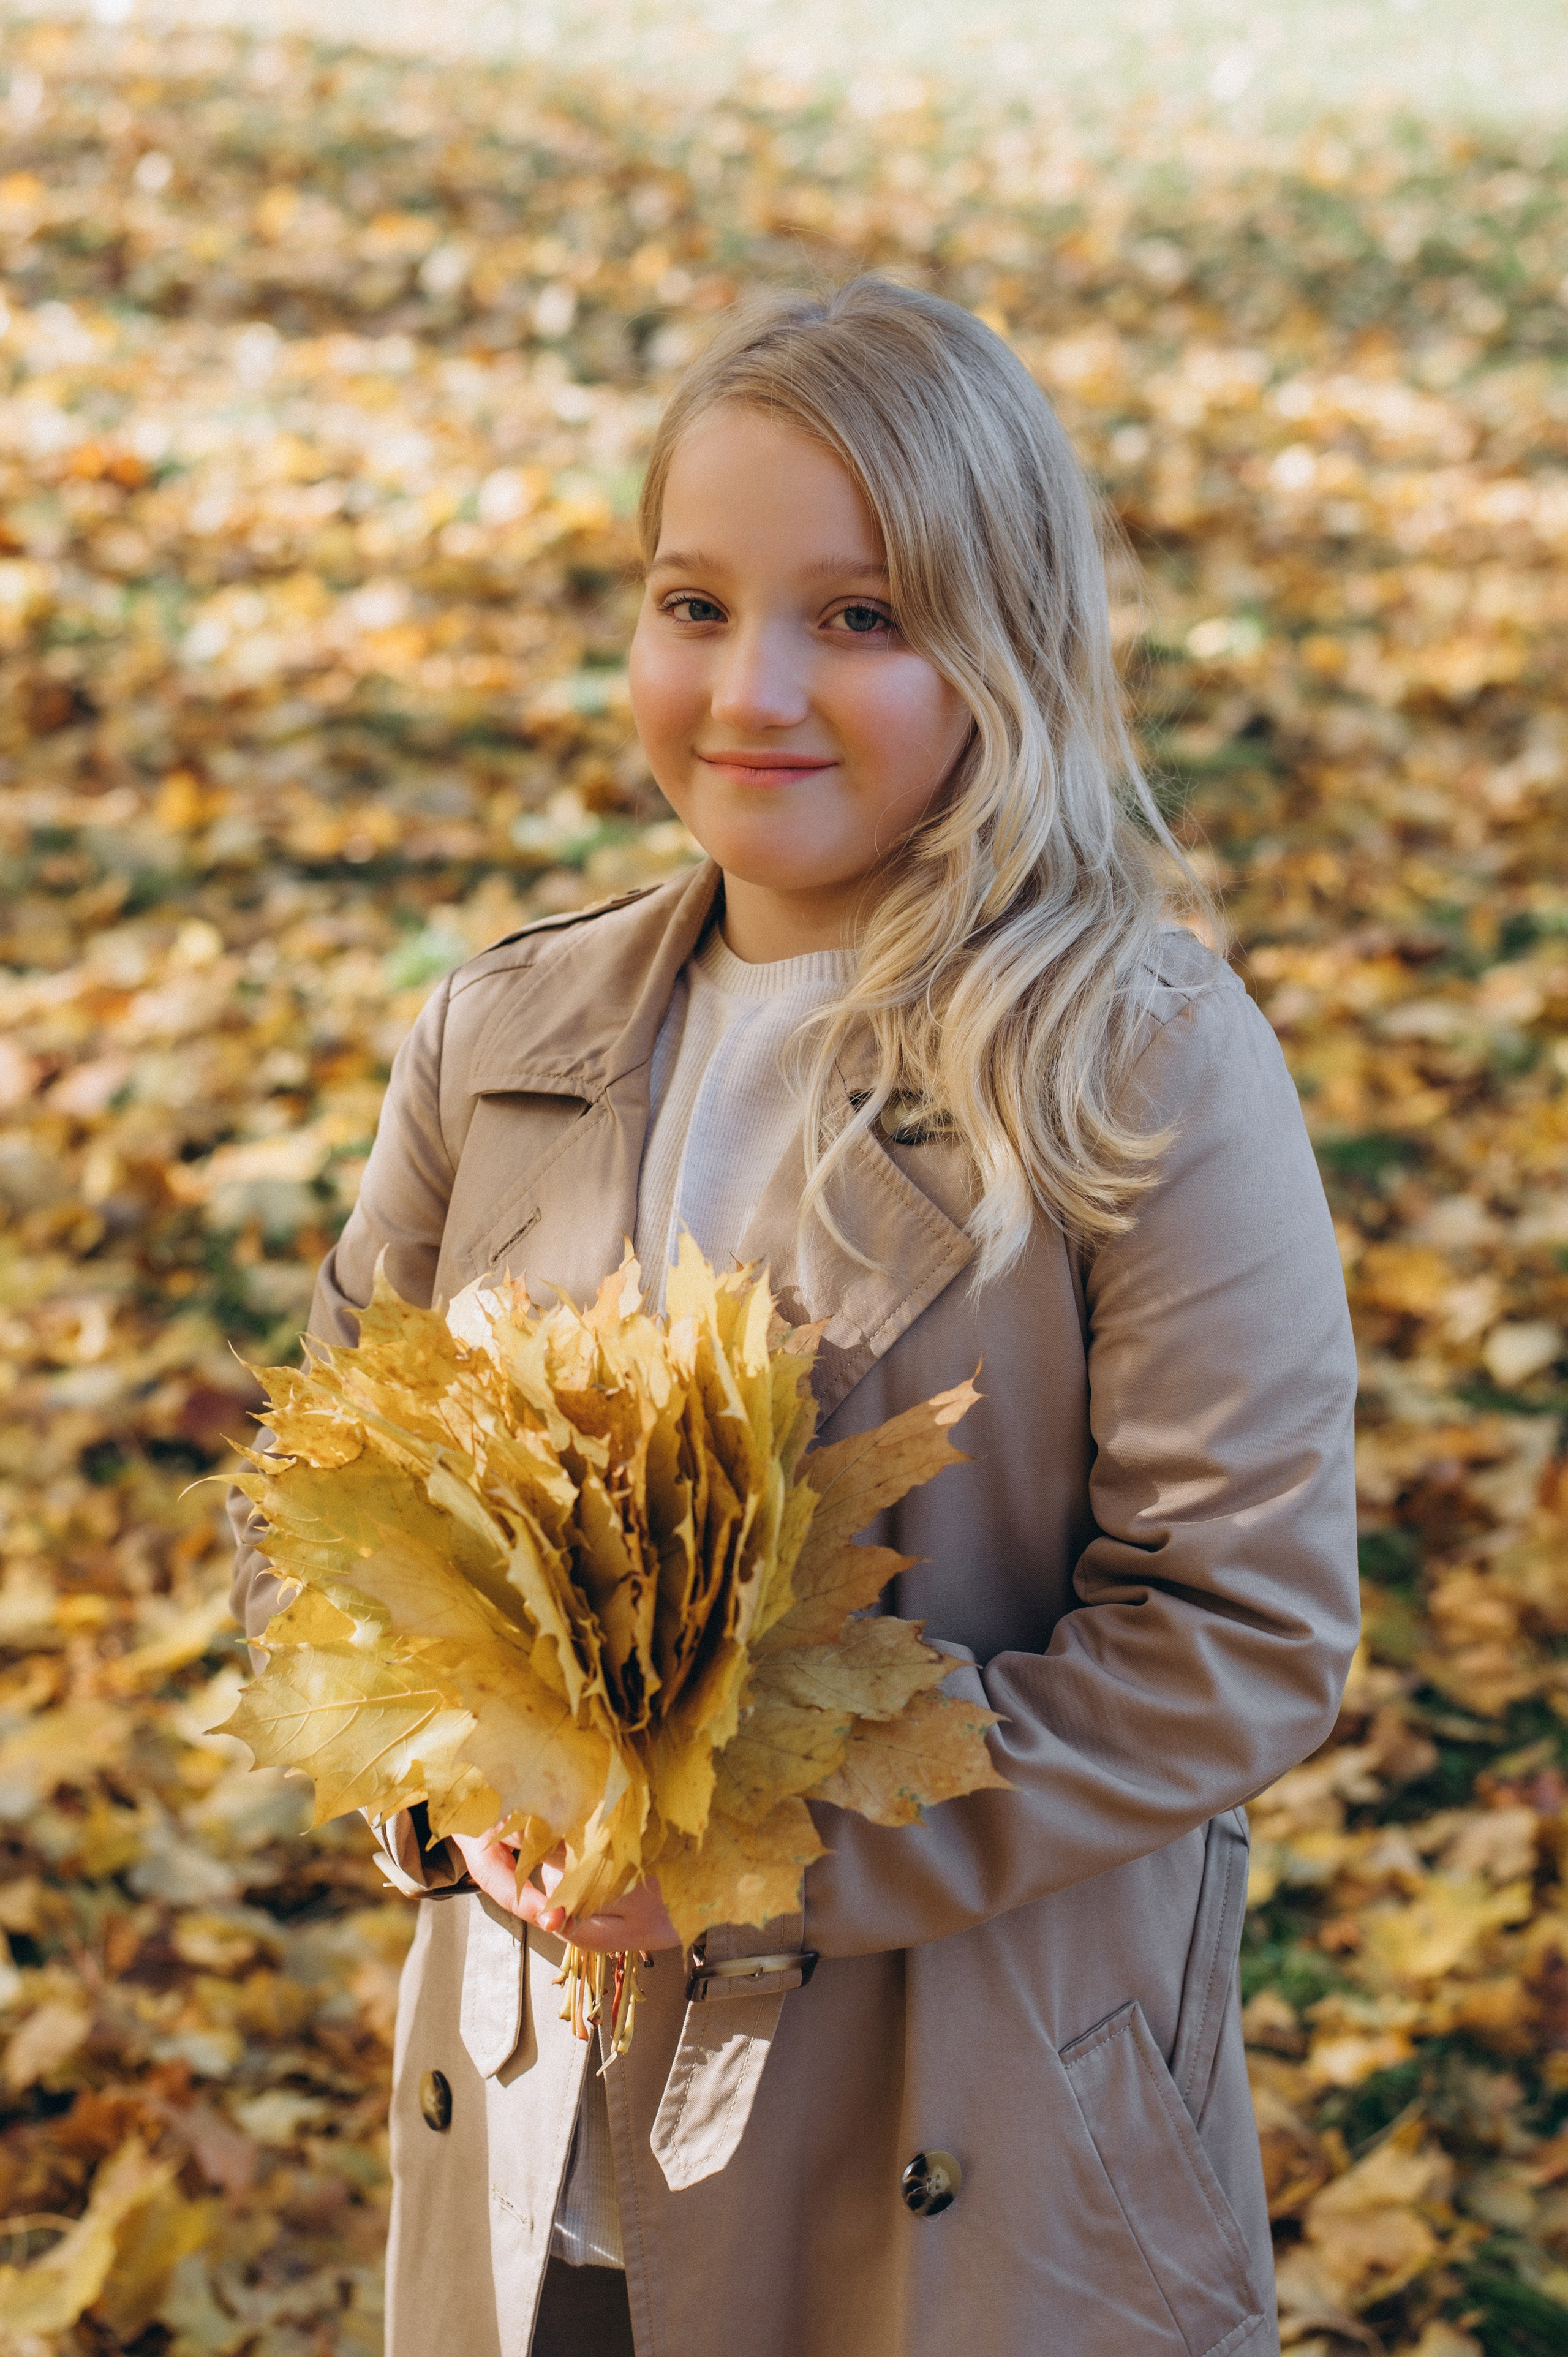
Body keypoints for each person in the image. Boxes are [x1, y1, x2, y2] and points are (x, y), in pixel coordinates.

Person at [230, 276, 1359, 2357]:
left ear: (1004, 643)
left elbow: (1242, 1636)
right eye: (692, 602)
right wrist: (447, 1773)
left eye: (860, 618)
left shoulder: (1142, 1068)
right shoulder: (500, 1038)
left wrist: (766, 1846)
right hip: (538, 2149)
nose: (752, 689)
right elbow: (308, 1523)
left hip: (950, 2148)